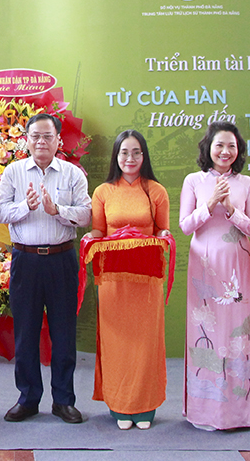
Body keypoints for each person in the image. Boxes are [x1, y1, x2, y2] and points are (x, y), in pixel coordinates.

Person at [0, 113, 91, 425]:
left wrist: (56, 210)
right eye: (35, 135)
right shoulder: (13, 173)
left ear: (58, 140)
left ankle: (63, 400)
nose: (41, 142)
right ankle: (28, 398)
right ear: (27, 139)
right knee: (25, 332)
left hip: (62, 260)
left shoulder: (73, 175)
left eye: (47, 136)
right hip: (25, 261)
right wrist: (27, 207)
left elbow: (86, 215)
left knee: (63, 333)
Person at [179, 122, 250, 430]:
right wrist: (209, 204)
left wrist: (230, 209)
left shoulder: (246, 183)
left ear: (238, 150)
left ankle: (238, 413)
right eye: (219, 145)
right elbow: (186, 226)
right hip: (204, 266)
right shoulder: (194, 181)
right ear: (207, 148)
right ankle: (205, 412)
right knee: (208, 334)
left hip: (238, 267)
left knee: (237, 334)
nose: (225, 151)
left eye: (231, 146)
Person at [87, 130, 170, 430]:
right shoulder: (103, 192)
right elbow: (99, 232)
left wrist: (165, 236)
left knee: (146, 342)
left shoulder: (156, 191)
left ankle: (145, 405)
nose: (130, 158)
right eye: (124, 152)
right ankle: (120, 404)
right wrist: (89, 237)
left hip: (146, 278)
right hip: (112, 277)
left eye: (136, 152)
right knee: (117, 341)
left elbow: (162, 230)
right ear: (116, 156)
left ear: (144, 156)